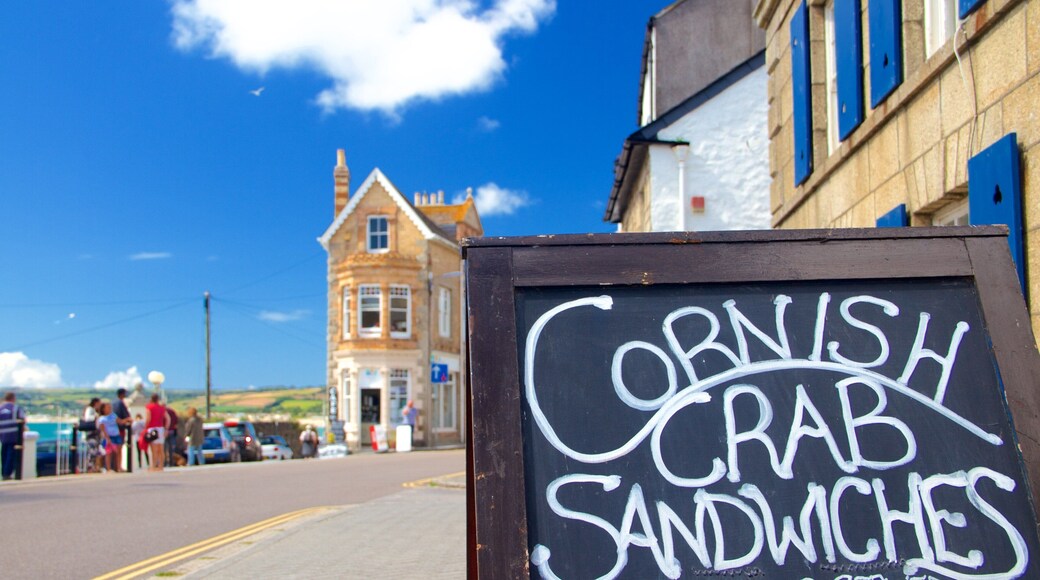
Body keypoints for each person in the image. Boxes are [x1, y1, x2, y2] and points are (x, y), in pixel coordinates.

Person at [0, 392, 27, 480]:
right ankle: (7, 474)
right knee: (11, 455)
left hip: (3, 435)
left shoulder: (0, 408)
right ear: (13, 398)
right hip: (13, 435)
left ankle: (4, 472)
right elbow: (22, 420)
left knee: (4, 454)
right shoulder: (16, 408)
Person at [144, 394, 170, 472]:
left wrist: (145, 427)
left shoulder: (149, 407)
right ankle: (161, 466)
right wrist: (166, 428)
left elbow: (148, 418)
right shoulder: (162, 408)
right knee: (161, 449)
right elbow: (168, 418)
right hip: (161, 429)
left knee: (154, 450)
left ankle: (153, 466)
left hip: (152, 429)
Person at [96, 402, 123, 473]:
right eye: (108, 407)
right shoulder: (102, 419)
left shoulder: (113, 415)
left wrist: (127, 420)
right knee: (109, 452)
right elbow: (103, 429)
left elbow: (120, 421)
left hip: (116, 435)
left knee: (118, 451)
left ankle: (119, 467)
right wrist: (107, 438)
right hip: (109, 436)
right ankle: (108, 468)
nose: (110, 409)